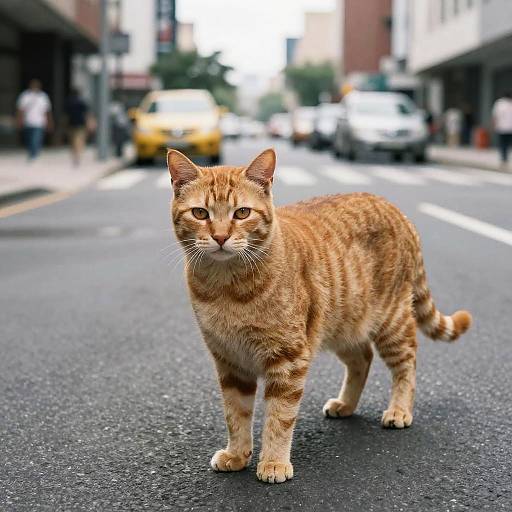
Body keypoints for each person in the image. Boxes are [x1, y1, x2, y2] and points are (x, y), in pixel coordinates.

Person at [16, 79, 53, 160]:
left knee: (36, 139)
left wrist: (49, 122)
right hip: (28, 121)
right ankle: (31, 152)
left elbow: (47, 110)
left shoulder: (43, 96)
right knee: (29, 139)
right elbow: (20, 110)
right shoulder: (25, 95)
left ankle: (34, 154)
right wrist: (19, 120)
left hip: (39, 122)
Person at [65, 88, 90, 166]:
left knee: (72, 141)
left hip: (71, 123)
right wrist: (89, 123)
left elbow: (65, 115)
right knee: (79, 140)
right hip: (80, 124)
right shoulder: (82, 102)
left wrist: (64, 124)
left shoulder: (68, 102)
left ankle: (74, 155)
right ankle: (78, 155)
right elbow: (86, 114)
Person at [492, 91, 512, 170]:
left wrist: (494, 125)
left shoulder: (499, 103)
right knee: (507, 144)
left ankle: (504, 160)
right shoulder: (506, 103)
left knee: (503, 144)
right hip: (508, 127)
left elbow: (495, 116)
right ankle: (505, 160)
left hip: (502, 127)